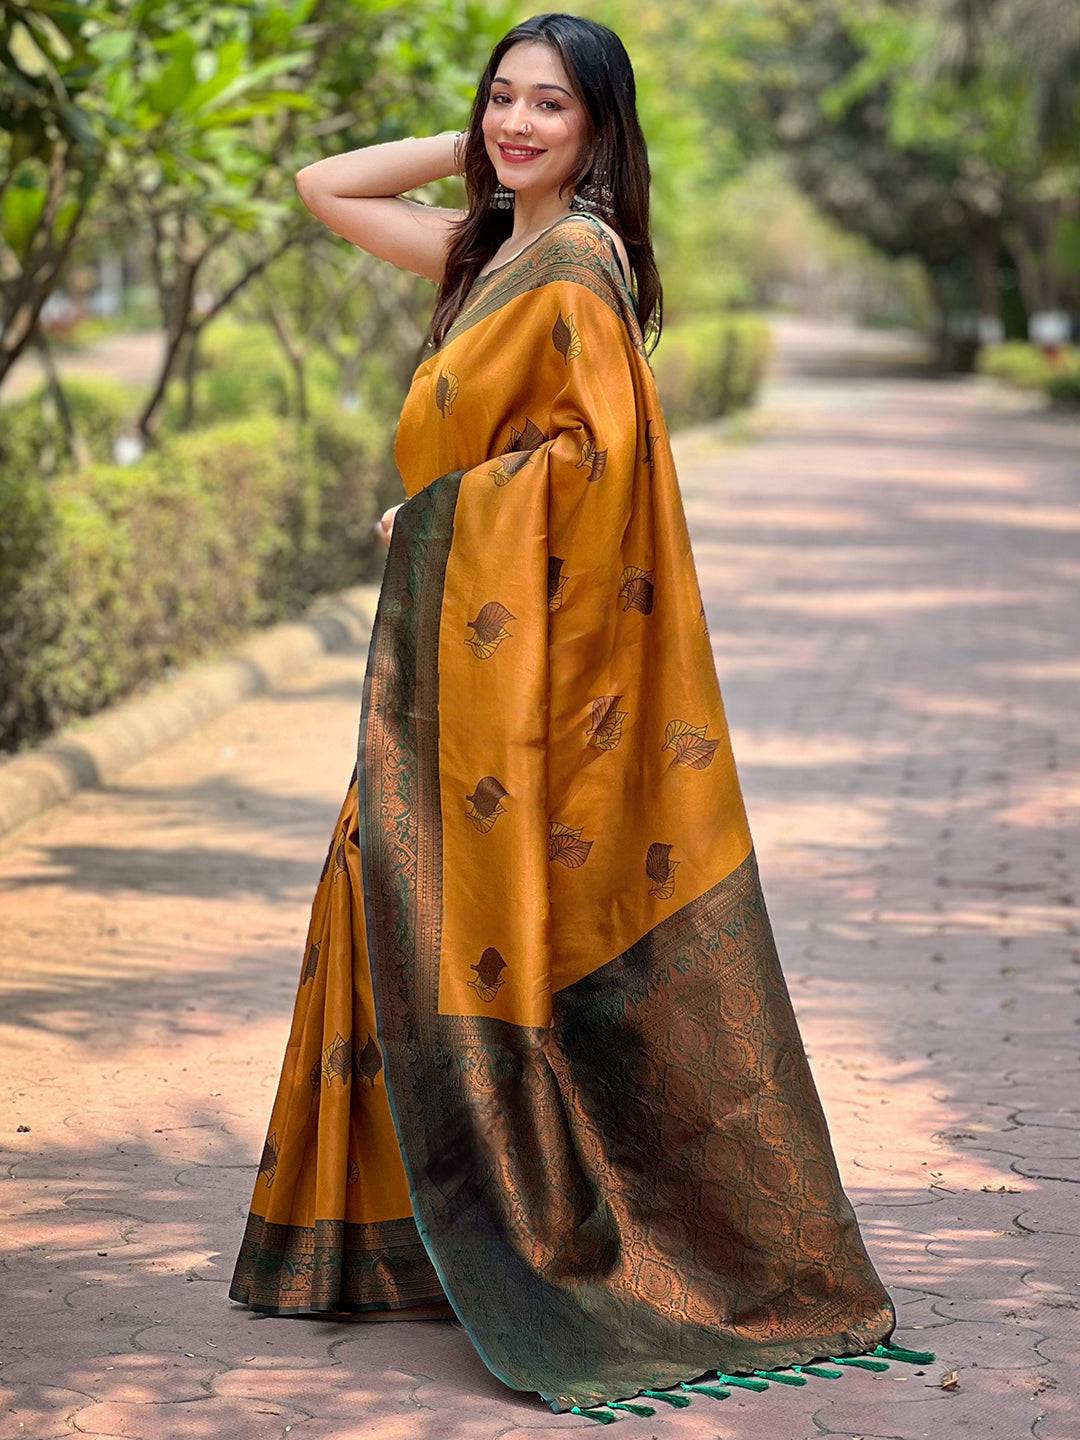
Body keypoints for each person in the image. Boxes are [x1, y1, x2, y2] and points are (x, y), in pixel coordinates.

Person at [227, 11, 935, 1422]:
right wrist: (478, 148)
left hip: (519, 679)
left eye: (552, 106)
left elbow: (590, 473)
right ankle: (390, 1244)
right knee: (388, 902)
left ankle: (573, 1244)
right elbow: (326, 189)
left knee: (453, 910)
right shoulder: (491, 251)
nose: (517, 124)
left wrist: (445, 516)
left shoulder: (582, 267)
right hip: (449, 660)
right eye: (503, 100)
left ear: (603, 130)